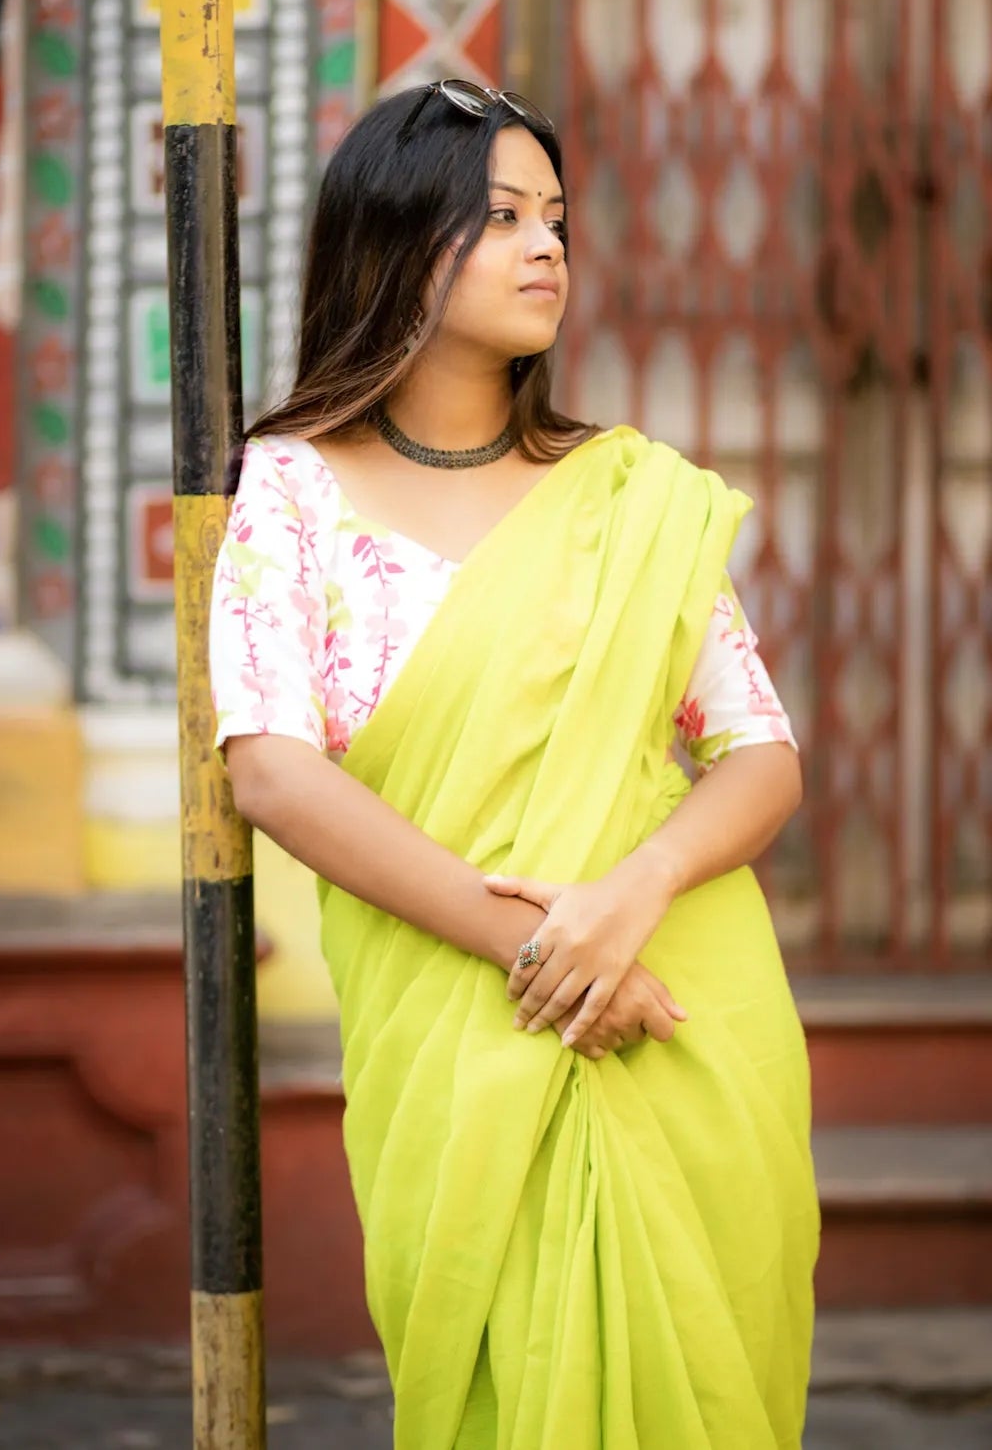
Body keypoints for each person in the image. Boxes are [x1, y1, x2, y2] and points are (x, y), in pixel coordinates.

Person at [209, 80, 819, 1448]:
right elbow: (273, 771)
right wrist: (543, 947)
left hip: (677, 998)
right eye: (497, 218)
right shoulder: (293, 486)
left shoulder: (620, 491)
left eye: (556, 216)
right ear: (390, 240)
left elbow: (759, 755)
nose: (547, 246)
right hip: (466, 1017)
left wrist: (626, 899)